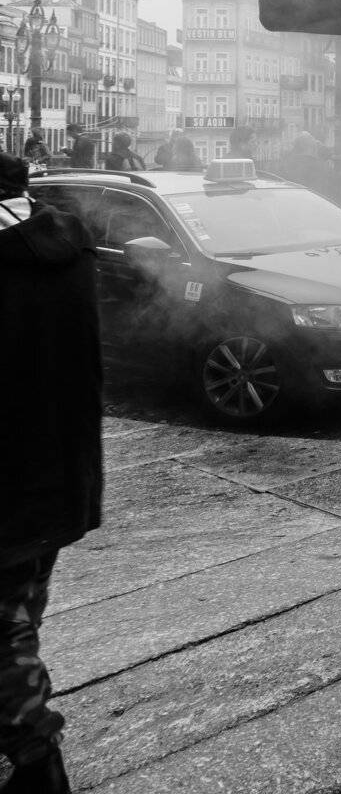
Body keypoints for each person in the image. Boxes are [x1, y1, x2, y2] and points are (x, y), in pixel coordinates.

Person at [0, 153, 103, 794]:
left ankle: (38, 763)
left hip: (8, 481)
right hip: (60, 471)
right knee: (21, 615)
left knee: (3, 634)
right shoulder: (62, 247)